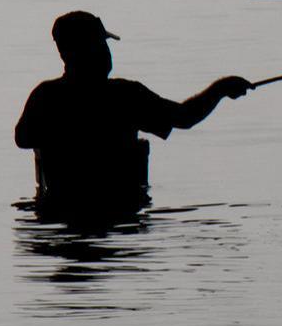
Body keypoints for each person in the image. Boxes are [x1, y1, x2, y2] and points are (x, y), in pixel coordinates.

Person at [15, 11, 251, 209]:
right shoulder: (126, 95)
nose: (107, 52)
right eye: (101, 45)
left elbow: (23, 139)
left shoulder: (45, 96)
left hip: (59, 211)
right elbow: (185, 117)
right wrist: (220, 89)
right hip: (121, 215)